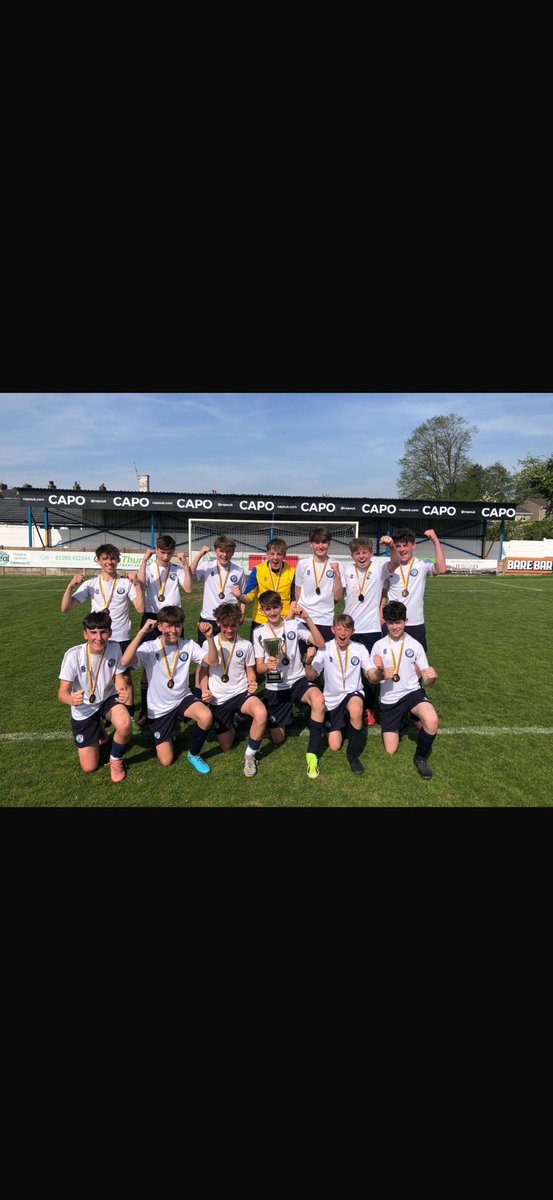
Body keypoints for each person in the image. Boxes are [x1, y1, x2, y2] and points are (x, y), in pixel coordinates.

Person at [121, 606, 218, 773]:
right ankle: (166, 731)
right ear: (159, 626)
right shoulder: (151, 647)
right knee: (166, 760)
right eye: (168, 626)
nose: (173, 630)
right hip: (159, 708)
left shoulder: (188, 645)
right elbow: (125, 661)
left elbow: (213, 661)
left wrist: (209, 638)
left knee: (206, 716)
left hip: (182, 698)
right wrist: (141, 633)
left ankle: (194, 754)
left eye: (177, 626)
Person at [61, 542, 144, 732]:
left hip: (121, 637)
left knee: (126, 679)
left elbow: (140, 608)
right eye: (105, 558)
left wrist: (137, 584)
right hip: (99, 638)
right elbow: (66, 608)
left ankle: (127, 714)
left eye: (113, 558)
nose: (109, 562)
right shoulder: (91, 584)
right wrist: (70, 586)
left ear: (118, 560)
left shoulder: (124, 583)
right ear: (98, 561)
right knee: (97, 679)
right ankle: (99, 714)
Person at [253, 590, 325, 780]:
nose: (272, 612)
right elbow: (259, 667)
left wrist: (308, 618)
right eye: (267, 609)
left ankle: (312, 755)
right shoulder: (259, 633)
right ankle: (271, 712)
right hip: (275, 686)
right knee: (278, 738)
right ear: (262, 610)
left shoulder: (294, 625)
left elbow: (320, 642)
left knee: (318, 699)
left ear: (281, 607)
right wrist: (267, 666)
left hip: (297, 680)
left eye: (275, 607)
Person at [58, 611, 132, 783]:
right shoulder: (73, 656)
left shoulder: (114, 648)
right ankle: (97, 727)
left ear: (110, 633)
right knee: (89, 767)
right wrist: (71, 699)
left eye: (103, 632)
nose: (99, 638)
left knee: (125, 723)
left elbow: (119, 676)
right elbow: (61, 693)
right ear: (85, 634)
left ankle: (115, 759)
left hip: (107, 699)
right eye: (93, 632)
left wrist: (121, 689)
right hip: (83, 708)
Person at [370, 600, 439, 779]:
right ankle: (402, 718)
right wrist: (379, 671)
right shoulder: (378, 646)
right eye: (391, 623)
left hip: (411, 693)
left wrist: (432, 677)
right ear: (385, 622)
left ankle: (420, 757)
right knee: (390, 750)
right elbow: (372, 679)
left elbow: (428, 680)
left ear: (405, 621)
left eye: (398, 622)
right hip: (389, 699)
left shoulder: (415, 645)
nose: (395, 627)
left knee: (431, 720)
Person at [198, 602, 268, 777]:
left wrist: (252, 682)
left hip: (240, 694)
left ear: (238, 623)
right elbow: (203, 671)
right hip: (218, 699)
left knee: (261, 713)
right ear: (218, 623)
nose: (229, 630)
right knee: (226, 746)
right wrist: (203, 689)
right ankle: (235, 720)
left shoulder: (246, 645)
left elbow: (250, 671)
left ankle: (250, 756)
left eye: (233, 625)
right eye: (226, 626)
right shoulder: (209, 644)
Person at [305, 613, 374, 775]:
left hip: (353, 693)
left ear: (353, 631)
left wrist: (378, 671)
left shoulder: (359, 649)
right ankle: (340, 724)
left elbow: (372, 675)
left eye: (347, 629)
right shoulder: (325, 648)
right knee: (335, 746)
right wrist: (308, 661)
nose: (342, 633)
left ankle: (353, 756)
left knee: (356, 709)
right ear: (333, 630)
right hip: (332, 699)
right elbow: (311, 675)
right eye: (339, 629)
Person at [343, 534, 401, 725]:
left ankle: (368, 707)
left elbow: (396, 560)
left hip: (371, 630)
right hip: (349, 629)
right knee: (348, 669)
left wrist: (392, 545)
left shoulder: (378, 568)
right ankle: (346, 705)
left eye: (365, 552)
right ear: (352, 555)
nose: (361, 556)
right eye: (357, 553)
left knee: (371, 671)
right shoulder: (346, 571)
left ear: (371, 553)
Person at [135, 535, 193, 725]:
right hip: (153, 617)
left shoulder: (176, 569)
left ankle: (177, 706)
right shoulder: (149, 567)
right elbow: (141, 585)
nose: (166, 557)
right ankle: (145, 708)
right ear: (156, 550)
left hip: (174, 618)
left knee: (175, 661)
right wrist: (144, 560)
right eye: (162, 552)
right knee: (148, 664)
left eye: (169, 553)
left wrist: (185, 564)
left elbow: (189, 588)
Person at [380, 528, 447, 651]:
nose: (402, 550)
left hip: (415, 624)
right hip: (393, 623)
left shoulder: (422, 565)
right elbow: (383, 596)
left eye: (405, 545)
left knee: (417, 665)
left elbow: (441, 569)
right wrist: (382, 620)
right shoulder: (389, 567)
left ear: (414, 545)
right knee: (391, 663)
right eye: (398, 546)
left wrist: (436, 541)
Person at [231, 537, 296, 637]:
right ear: (267, 554)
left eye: (279, 554)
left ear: (284, 556)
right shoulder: (258, 570)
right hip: (261, 620)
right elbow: (248, 598)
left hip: (283, 620)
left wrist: (288, 620)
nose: (275, 557)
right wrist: (239, 596)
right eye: (272, 554)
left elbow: (294, 599)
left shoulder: (292, 572)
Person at [294, 527, 343, 652]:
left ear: (329, 544)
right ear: (311, 544)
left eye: (324, 542)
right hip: (303, 619)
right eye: (317, 542)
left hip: (325, 620)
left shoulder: (336, 565)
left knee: (323, 661)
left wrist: (337, 575)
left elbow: (337, 597)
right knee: (297, 658)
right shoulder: (303, 564)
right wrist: (303, 611)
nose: (320, 546)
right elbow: (298, 591)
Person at [190, 536, 246, 639]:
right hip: (208, 618)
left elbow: (244, 595)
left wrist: (241, 615)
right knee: (205, 652)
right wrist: (200, 554)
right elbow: (190, 576)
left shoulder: (238, 571)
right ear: (216, 551)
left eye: (228, 551)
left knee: (227, 652)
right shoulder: (207, 566)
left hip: (229, 620)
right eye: (221, 551)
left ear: (233, 552)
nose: (225, 555)